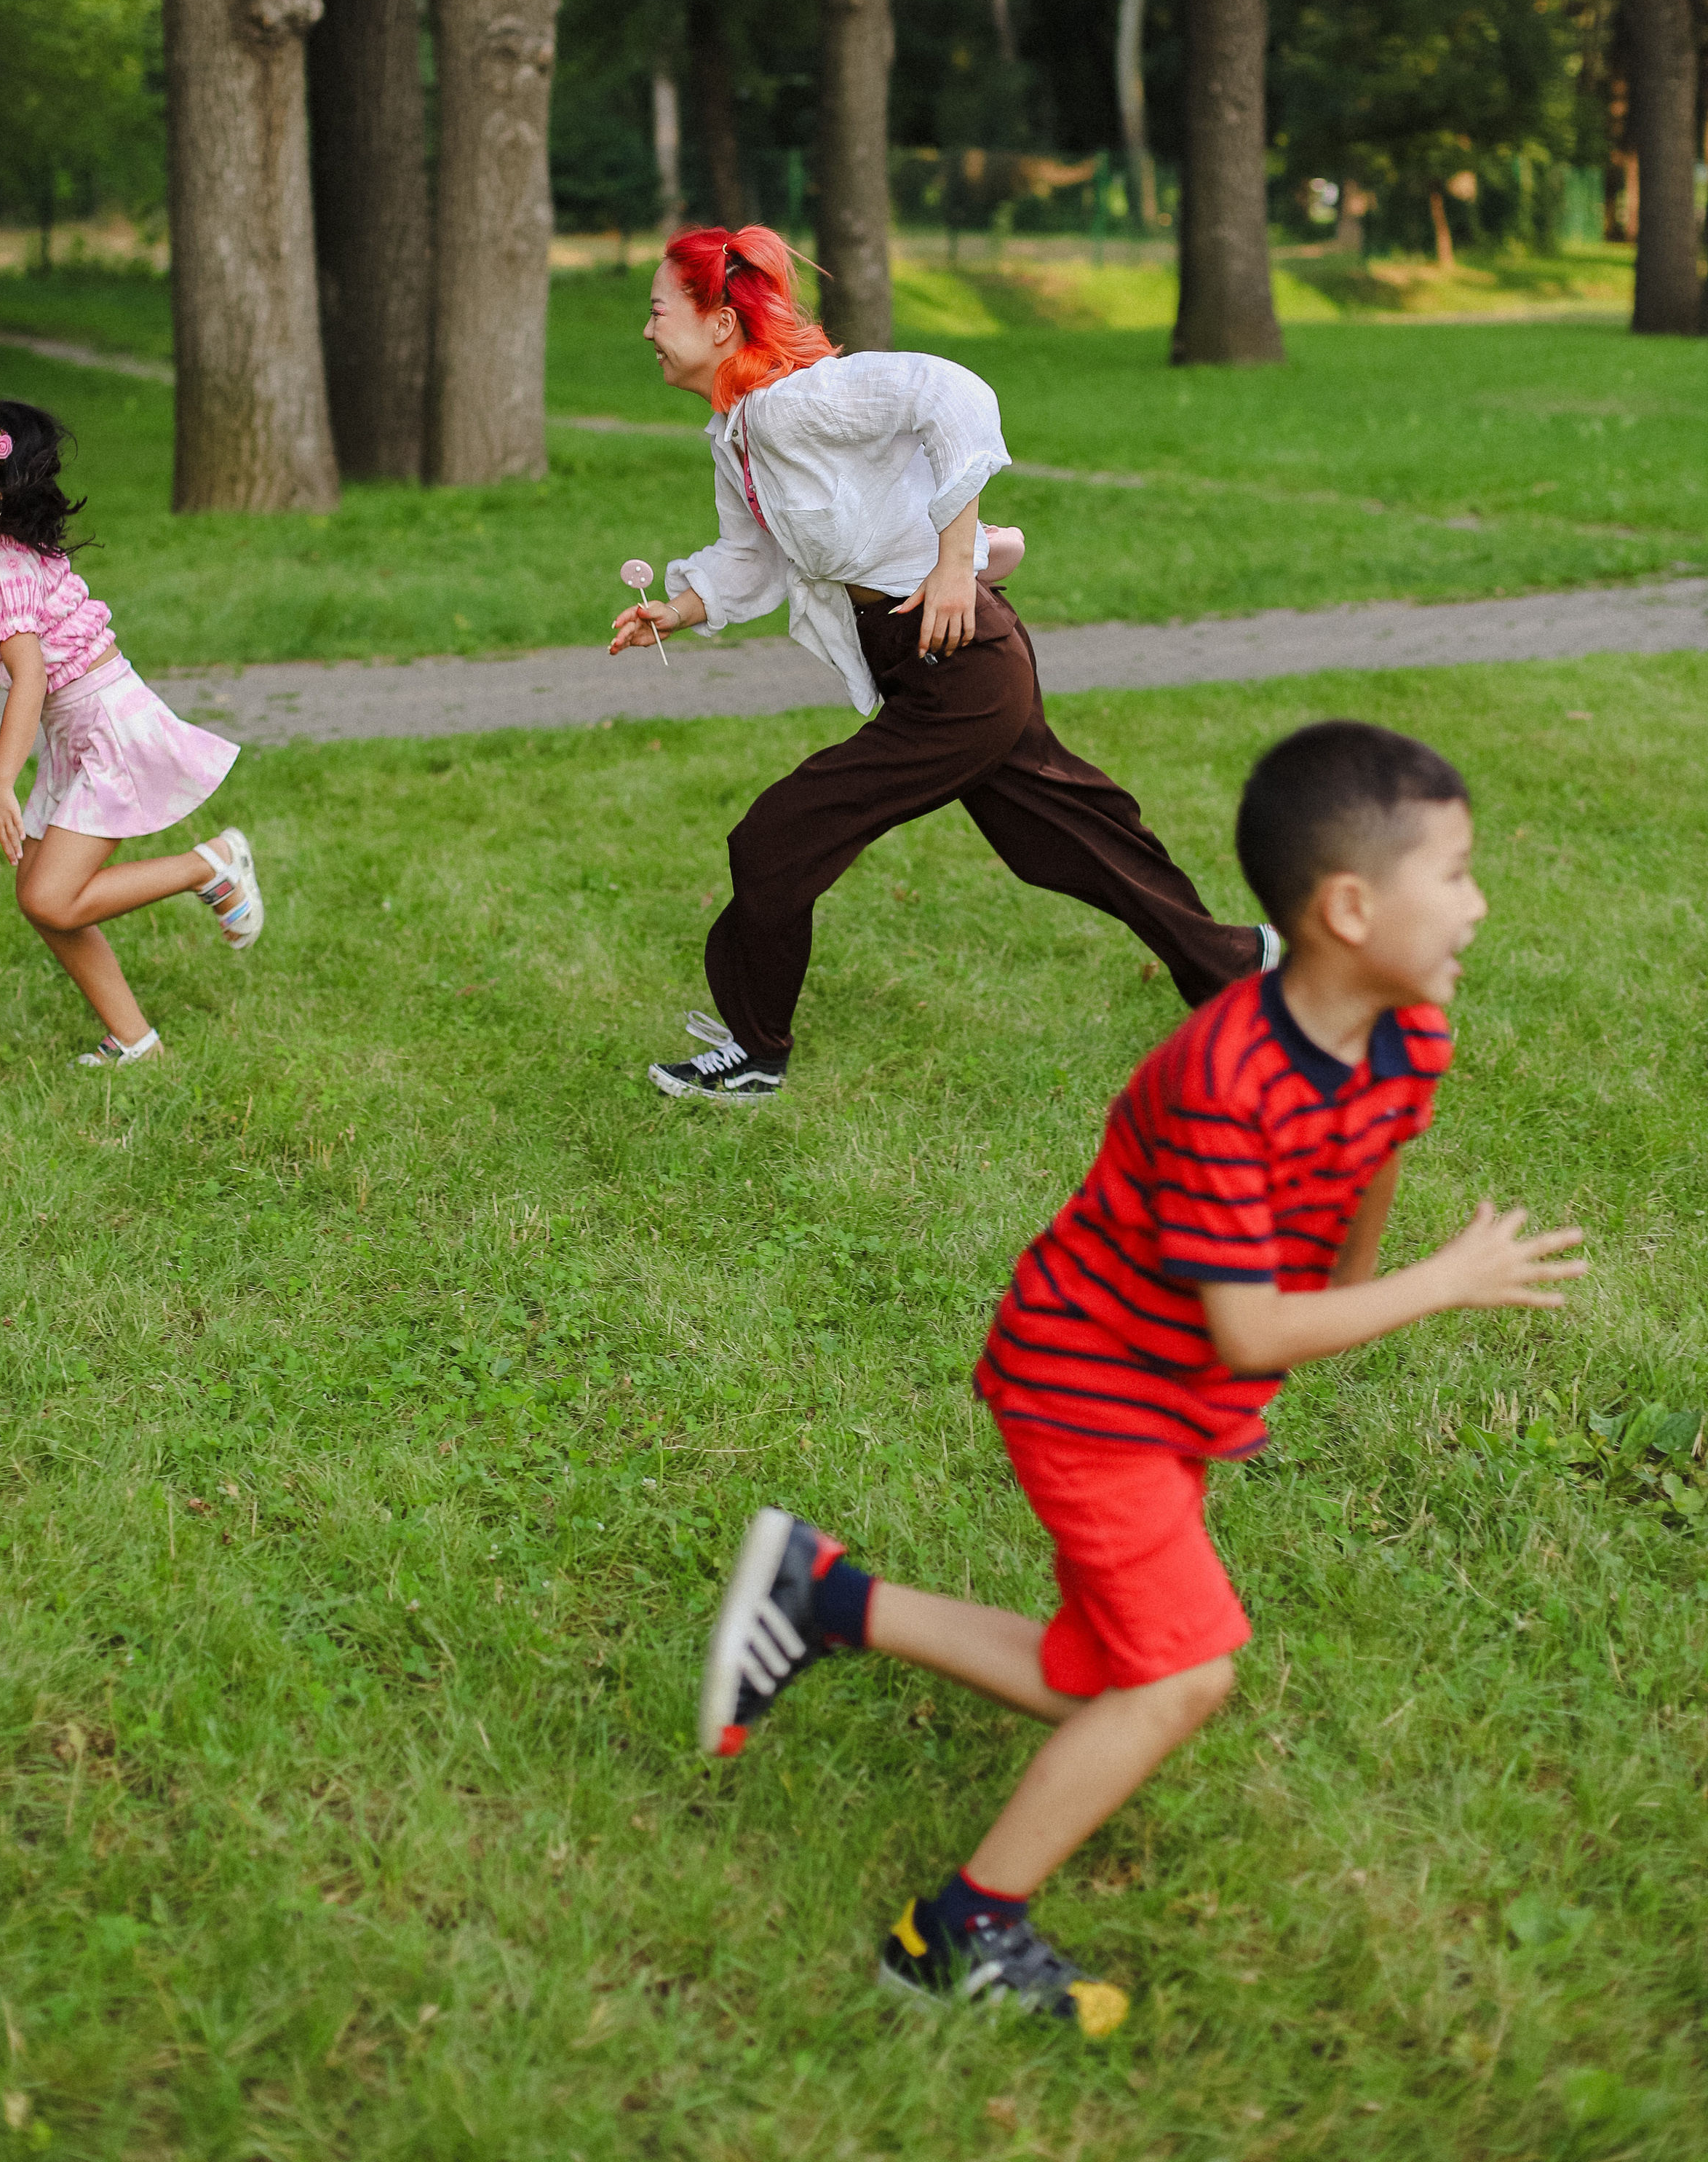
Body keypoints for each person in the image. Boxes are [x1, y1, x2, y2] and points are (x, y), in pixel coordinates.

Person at [696, 721, 1585, 2028]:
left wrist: (1353, 1281)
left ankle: (823, 1599)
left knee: (1113, 1661)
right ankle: (950, 1938)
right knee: (1180, 1674)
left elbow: (1375, 1157)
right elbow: (1248, 1330)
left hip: (1180, 1399)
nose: (1480, 902)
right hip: (1088, 1387)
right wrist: (1435, 1287)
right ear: (1349, 907)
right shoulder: (1227, 1077)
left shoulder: (1410, 1030)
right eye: (1453, 873)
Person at [611, 226, 1276, 1100]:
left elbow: (949, 391)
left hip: (954, 663)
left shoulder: (800, 402)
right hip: (936, 659)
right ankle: (1241, 963)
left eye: (660, 311)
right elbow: (757, 558)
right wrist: (682, 607)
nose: (649, 330)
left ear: (722, 324)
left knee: (774, 841)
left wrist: (955, 561)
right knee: (1063, 835)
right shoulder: (740, 433)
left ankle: (755, 1052)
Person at [0, 390, 263, 1067]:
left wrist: (0, 777)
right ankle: (137, 1042)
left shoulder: (4, 564)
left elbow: (31, 676)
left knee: (50, 895)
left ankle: (208, 864)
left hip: (106, 717)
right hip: (71, 727)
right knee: (43, 902)